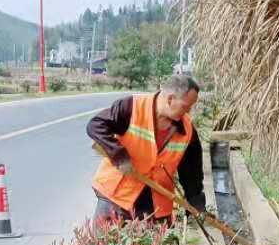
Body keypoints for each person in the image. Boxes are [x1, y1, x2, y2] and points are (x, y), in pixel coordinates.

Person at [86, 73, 206, 224]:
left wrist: (196, 204)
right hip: (116, 196)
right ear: (170, 99)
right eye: (186, 106)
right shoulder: (132, 107)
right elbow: (96, 125)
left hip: (155, 203)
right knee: (106, 238)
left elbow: (192, 173)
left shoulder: (187, 130)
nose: (188, 111)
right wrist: (119, 156)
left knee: (153, 239)